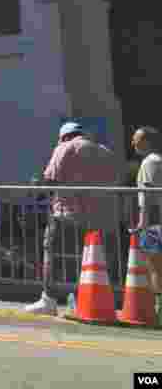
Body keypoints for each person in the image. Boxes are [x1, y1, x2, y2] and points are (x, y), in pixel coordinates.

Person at [24, 121, 123, 315]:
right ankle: (81, 301)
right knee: (88, 262)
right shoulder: (103, 150)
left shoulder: (64, 148)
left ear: (64, 136)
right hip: (100, 218)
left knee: (54, 256)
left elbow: (50, 180)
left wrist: (37, 186)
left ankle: (49, 301)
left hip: (68, 215)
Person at [131, 126, 162, 318]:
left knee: (156, 268)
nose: (133, 143)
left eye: (136, 139)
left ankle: (159, 311)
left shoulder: (150, 162)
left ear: (148, 142)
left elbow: (148, 194)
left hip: (154, 223)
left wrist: (142, 223)